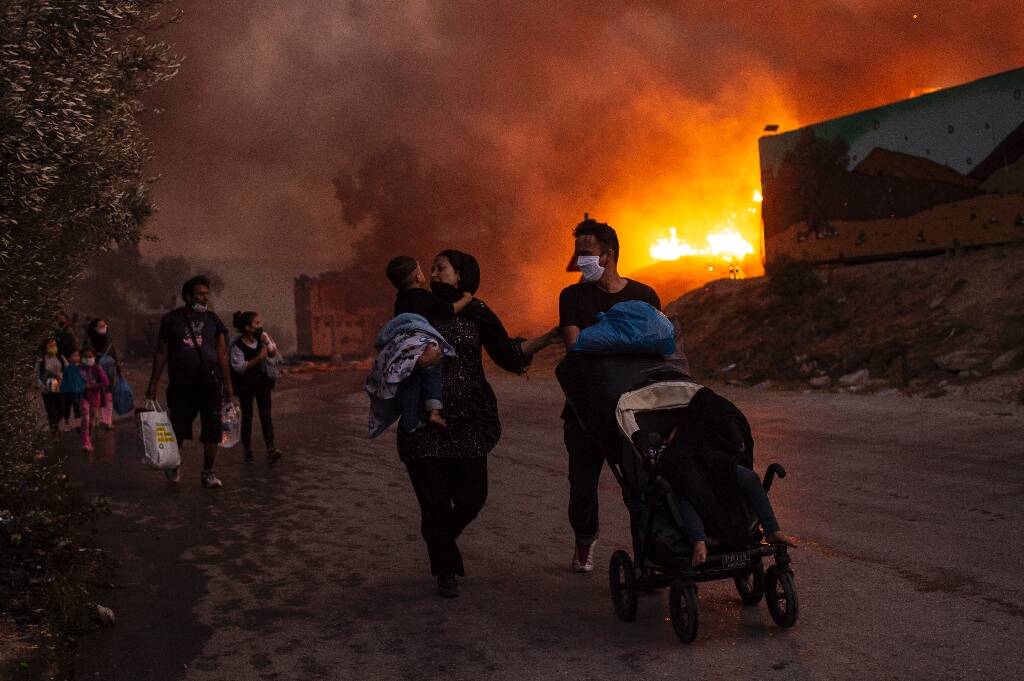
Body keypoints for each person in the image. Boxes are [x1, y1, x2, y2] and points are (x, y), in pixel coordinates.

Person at [399, 249, 560, 597]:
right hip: (425, 420)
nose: (433, 273)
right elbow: (391, 357)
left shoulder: (477, 312)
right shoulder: (415, 308)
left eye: (441, 268)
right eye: (431, 268)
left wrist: (548, 338)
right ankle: (445, 570)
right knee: (435, 501)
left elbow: (508, 353)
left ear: (461, 275)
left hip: (469, 419)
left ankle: (441, 538)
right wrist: (417, 360)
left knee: (473, 497)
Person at [558, 216, 661, 574]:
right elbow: (575, 347)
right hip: (585, 411)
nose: (579, 259)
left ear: (608, 255)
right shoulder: (571, 296)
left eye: (585, 252)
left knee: (642, 487)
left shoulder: (645, 295)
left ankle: (647, 557)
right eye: (577, 252)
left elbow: (657, 348)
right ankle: (585, 539)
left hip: (635, 409)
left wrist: (600, 341)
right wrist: (626, 344)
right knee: (582, 489)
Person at [145, 275, 233, 488]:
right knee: (178, 427)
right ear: (187, 296)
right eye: (200, 294)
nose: (204, 298)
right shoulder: (171, 320)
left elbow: (222, 354)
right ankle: (173, 463)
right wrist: (153, 383)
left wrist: (229, 386)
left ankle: (208, 472)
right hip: (182, 385)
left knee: (212, 430)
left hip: (210, 385)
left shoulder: (213, 320)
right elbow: (161, 352)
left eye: (206, 294)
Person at [386, 255, 473, 430]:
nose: (431, 273)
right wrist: (466, 299)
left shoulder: (400, 299)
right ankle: (434, 412)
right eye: (421, 269)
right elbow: (451, 309)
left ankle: (410, 421)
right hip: (424, 346)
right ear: (418, 277)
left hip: (406, 349)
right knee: (433, 374)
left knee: (412, 383)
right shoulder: (423, 296)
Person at [230, 311, 282, 465]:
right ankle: (248, 451)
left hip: (263, 384)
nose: (260, 326)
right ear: (248, 327)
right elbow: (239, 367)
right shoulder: (237, 346)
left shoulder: (262, 338)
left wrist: (268, 343)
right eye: (257, 323)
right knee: (247, 418)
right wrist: (258, 358)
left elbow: (272, 353)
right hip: (246, 387)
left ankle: (271, 449)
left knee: (266, 416)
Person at [85, 318, 123, 431]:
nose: (103, 328)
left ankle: (107, 421)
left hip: (109, 373)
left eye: (104, 326)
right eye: (100, 326)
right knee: (95, 397)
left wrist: (118, 370)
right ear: (94, 327)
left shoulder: (109, 340)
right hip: (93, 372)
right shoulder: (89, 341)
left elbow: (114, 355)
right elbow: (84, 356)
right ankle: (95, 420)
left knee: (108, 397)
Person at [76, 347, 110, 452]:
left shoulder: (97, 368)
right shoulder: (79, 369)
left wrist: (93, 386)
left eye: (90, 356)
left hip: (95, 398)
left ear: (94, 357)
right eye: (85, 357)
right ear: (81, 358)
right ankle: (86, 442)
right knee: (85, 418)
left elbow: (105, 382)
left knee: (91, 421)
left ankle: (88, 438)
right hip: (83, 396)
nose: (88, 359)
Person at [55, 312, 81, 428]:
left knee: (72, 392)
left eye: (62, 318)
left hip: (69, 364)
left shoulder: (69, 332)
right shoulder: (55, 332)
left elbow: (74, 347)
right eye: (58, 319)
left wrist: (73, 358)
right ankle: (63, 417)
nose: (61, 320)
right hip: (57, 364)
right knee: (62, 394)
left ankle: (74, 415)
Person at [35, 338, 66, 434]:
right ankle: (54, 430)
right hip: (46, 389)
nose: (53, 347)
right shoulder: (41, 360)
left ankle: (55, 425)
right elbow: (36, 375)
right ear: (45, 347)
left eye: (54, 345)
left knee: (61, 410)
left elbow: (67, 370)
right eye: (50, 345)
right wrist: (42, 386)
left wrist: (62, 380)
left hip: (58, 387)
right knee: (51, 411)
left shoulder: (60, 357)